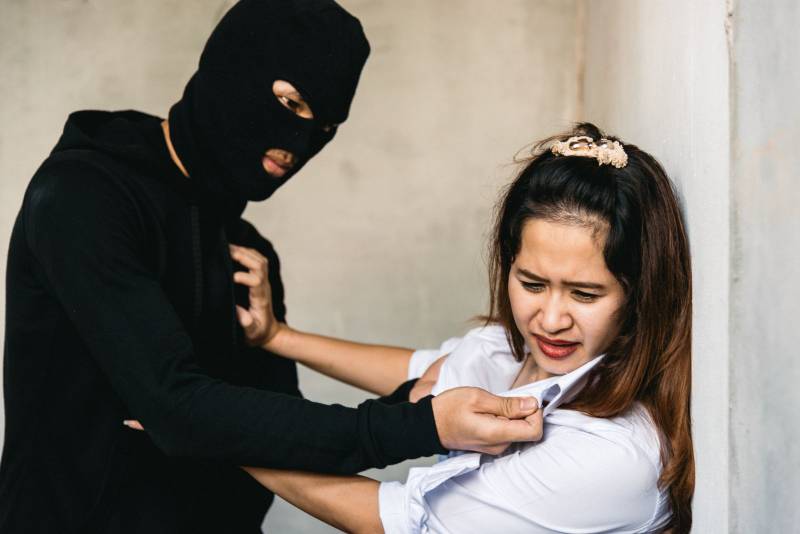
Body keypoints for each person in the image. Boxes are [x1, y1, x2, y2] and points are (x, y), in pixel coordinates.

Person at [0, 1, 543, 532]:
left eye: (325, 126)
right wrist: (420, 424)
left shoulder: (245, 250)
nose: (299, 144)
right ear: (230, 66)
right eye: (291, 103)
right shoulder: (83, 197)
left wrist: (415, 399)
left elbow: (275, 431)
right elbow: (176, 409)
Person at [203, 123, 695, 532]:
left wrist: (213, 430)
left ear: (639, 294)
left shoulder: (609, 456)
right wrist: (278, 337)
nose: (549, 320)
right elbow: (427, 370)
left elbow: (403, 521)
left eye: (584, 294)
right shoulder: (513, 351)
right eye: (531, 283)